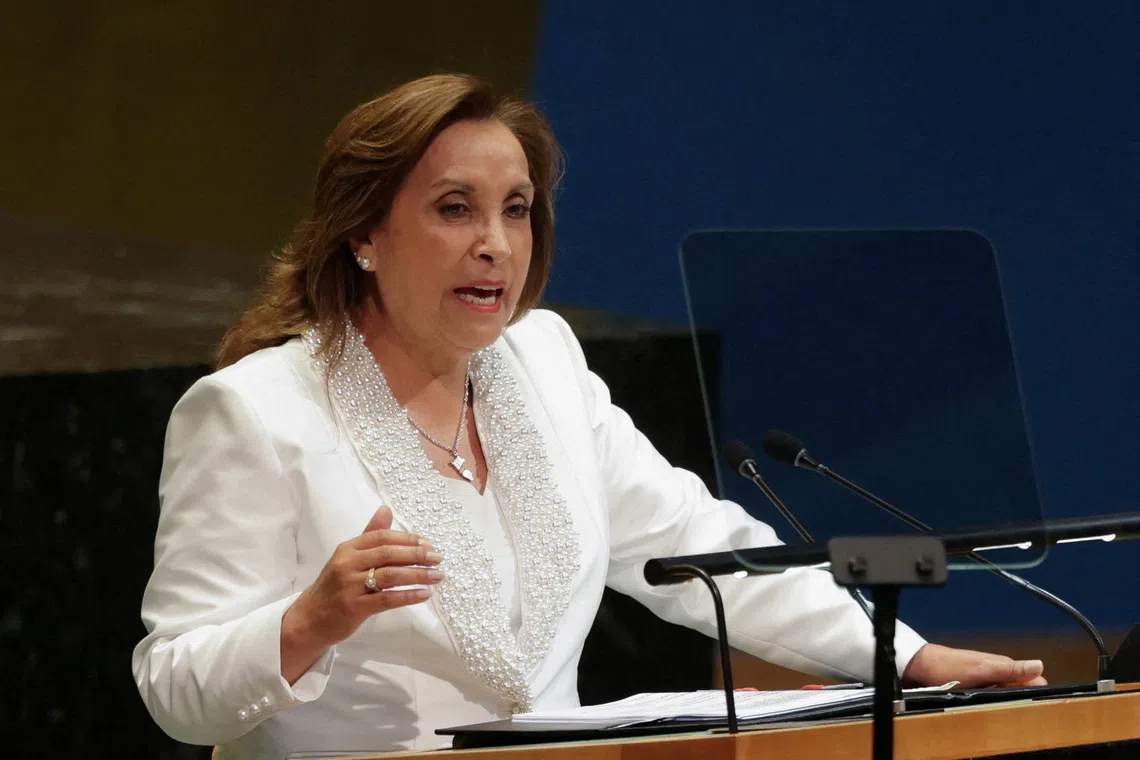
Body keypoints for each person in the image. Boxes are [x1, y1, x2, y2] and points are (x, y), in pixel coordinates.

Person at [132, 74, 1045, 759]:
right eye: (455, 209)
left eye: (517, 210)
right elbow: (174, 685)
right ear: (364, 234)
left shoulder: (547, 362)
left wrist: (907, 658)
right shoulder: (252, 412)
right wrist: (309, 620)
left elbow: (702, 555)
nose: (496, 242)